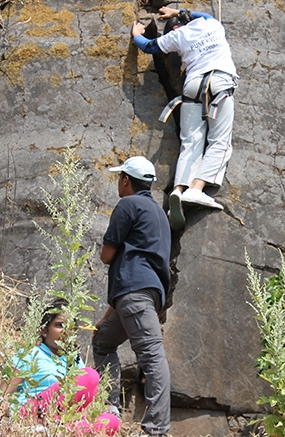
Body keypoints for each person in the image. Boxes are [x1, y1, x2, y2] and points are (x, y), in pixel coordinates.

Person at [131, 5, 238, 230]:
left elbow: (149, 47)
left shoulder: (177, 36)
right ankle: (197, 190)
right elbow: (205, 15)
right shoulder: (212, 24)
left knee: (191, 143)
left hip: (192, 87)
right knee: (220, 142)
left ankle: (178, 190)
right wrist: (177, 11)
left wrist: (136, 35)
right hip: (219, 82)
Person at [92, 155, 172, 436]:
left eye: (119, 177)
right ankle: (109, 408)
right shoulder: (159, 213)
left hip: (134, 293)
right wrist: (106, 317)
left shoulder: (128, 204)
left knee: (152, 358)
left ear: (126, 180)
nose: (118, 182)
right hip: (144, 294)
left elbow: (107, 255)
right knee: (102, 341)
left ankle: (156, 429)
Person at [7, 299, 119, 435]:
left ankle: (57, 431)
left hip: (62, 420)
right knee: (89, 376)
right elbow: (3, 392)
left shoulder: (74, 360)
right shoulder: (30, 354)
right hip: (31, 414)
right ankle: (45, 429)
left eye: (70, 326)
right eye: (59, 325)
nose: (66, 331)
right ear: (44, 331)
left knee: (111, 421)